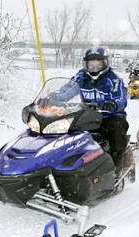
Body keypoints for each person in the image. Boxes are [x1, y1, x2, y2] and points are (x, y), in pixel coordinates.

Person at [53, 46, 129, 179]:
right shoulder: (81, 77)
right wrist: (53, 97)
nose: (94, 66)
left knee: (117, 128)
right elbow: (67, 91)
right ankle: (65, 166)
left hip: (108, 117)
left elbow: (121, 98)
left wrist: (114, 104)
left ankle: (116, 168)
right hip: (86, 117)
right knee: (63, 133)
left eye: (98, 62)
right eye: (91, 63)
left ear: (104, 63)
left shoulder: (114, 80)